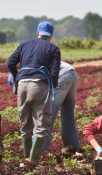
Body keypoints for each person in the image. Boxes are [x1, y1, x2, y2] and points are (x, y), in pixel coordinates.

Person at [7, 20, 61, 164]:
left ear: (37, 32)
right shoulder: (53, 48)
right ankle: (33, 160)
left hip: (22, 86)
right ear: (51, 34)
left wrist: (16, 76)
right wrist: (53, 86)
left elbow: (10, 62)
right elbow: (54, 72)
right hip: (39, 85)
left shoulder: (24, 44)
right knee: (41, 124)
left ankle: (26, 159)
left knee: (25, 124)